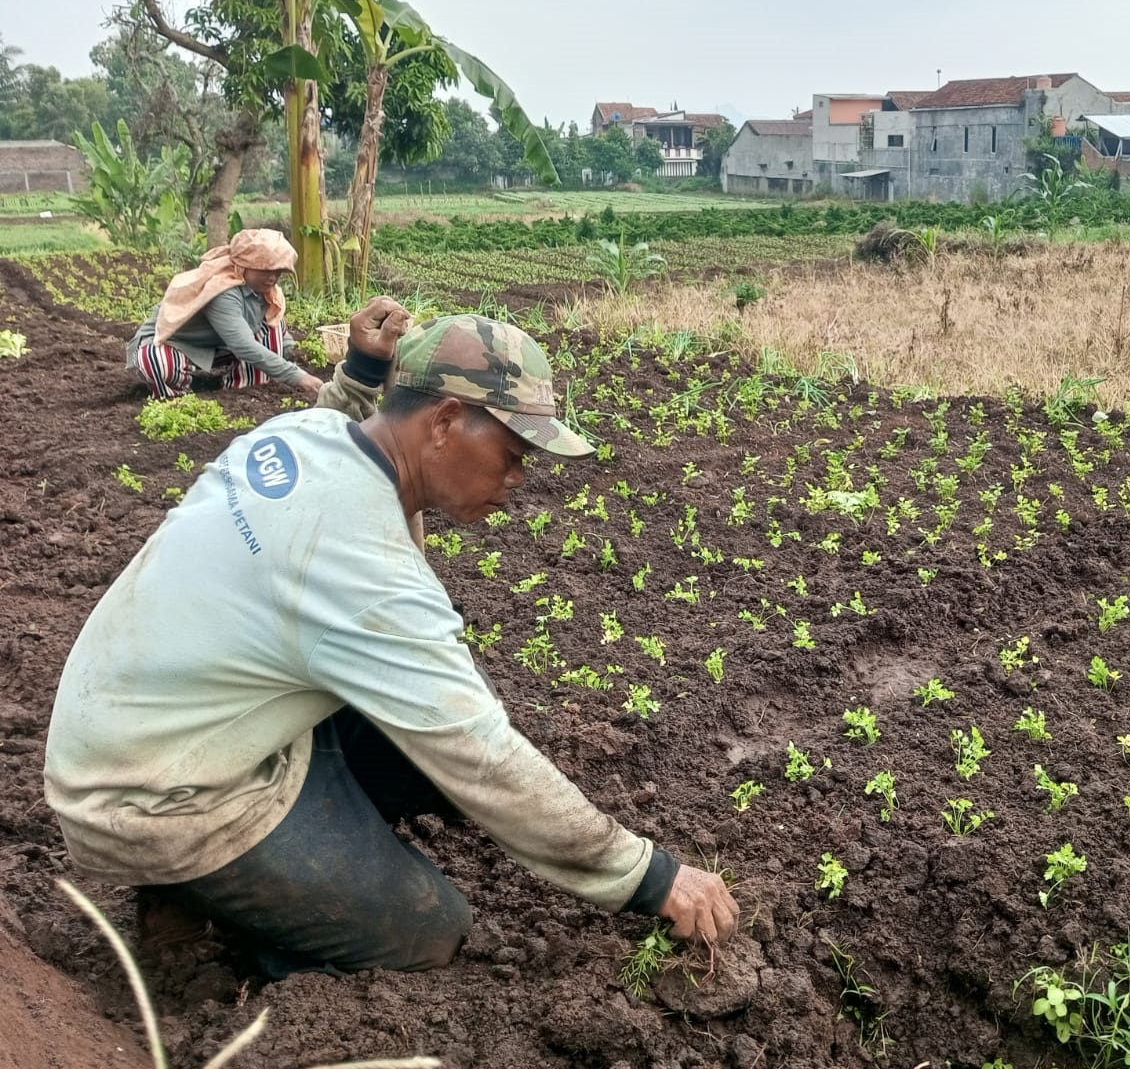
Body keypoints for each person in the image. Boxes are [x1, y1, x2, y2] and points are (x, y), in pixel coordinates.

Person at [45, 298, 738, 976]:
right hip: (155, 803)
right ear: (444, 421)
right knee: (427, 930)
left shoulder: (295, 439)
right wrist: (648, 875)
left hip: (146, 734)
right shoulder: (363, 569)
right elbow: (480, 756)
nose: (518, 479)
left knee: (433, 727)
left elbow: (340, 433)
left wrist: (357, 375)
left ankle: (283, 860)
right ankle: (217, 917)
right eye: (512, 452)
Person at [127, 228, 323, 401]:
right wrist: (298, 376)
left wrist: (291, 352)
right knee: (157, 362)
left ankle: (247, 390)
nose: (272, 277)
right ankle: (178, 396)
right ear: (244, 266)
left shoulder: (265, 289)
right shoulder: (222, 290)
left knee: (269, 328)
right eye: (266, 270)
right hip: (174, 344)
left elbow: (274, 324)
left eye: (278, 271)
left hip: (217, 344)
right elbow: (243, 345)